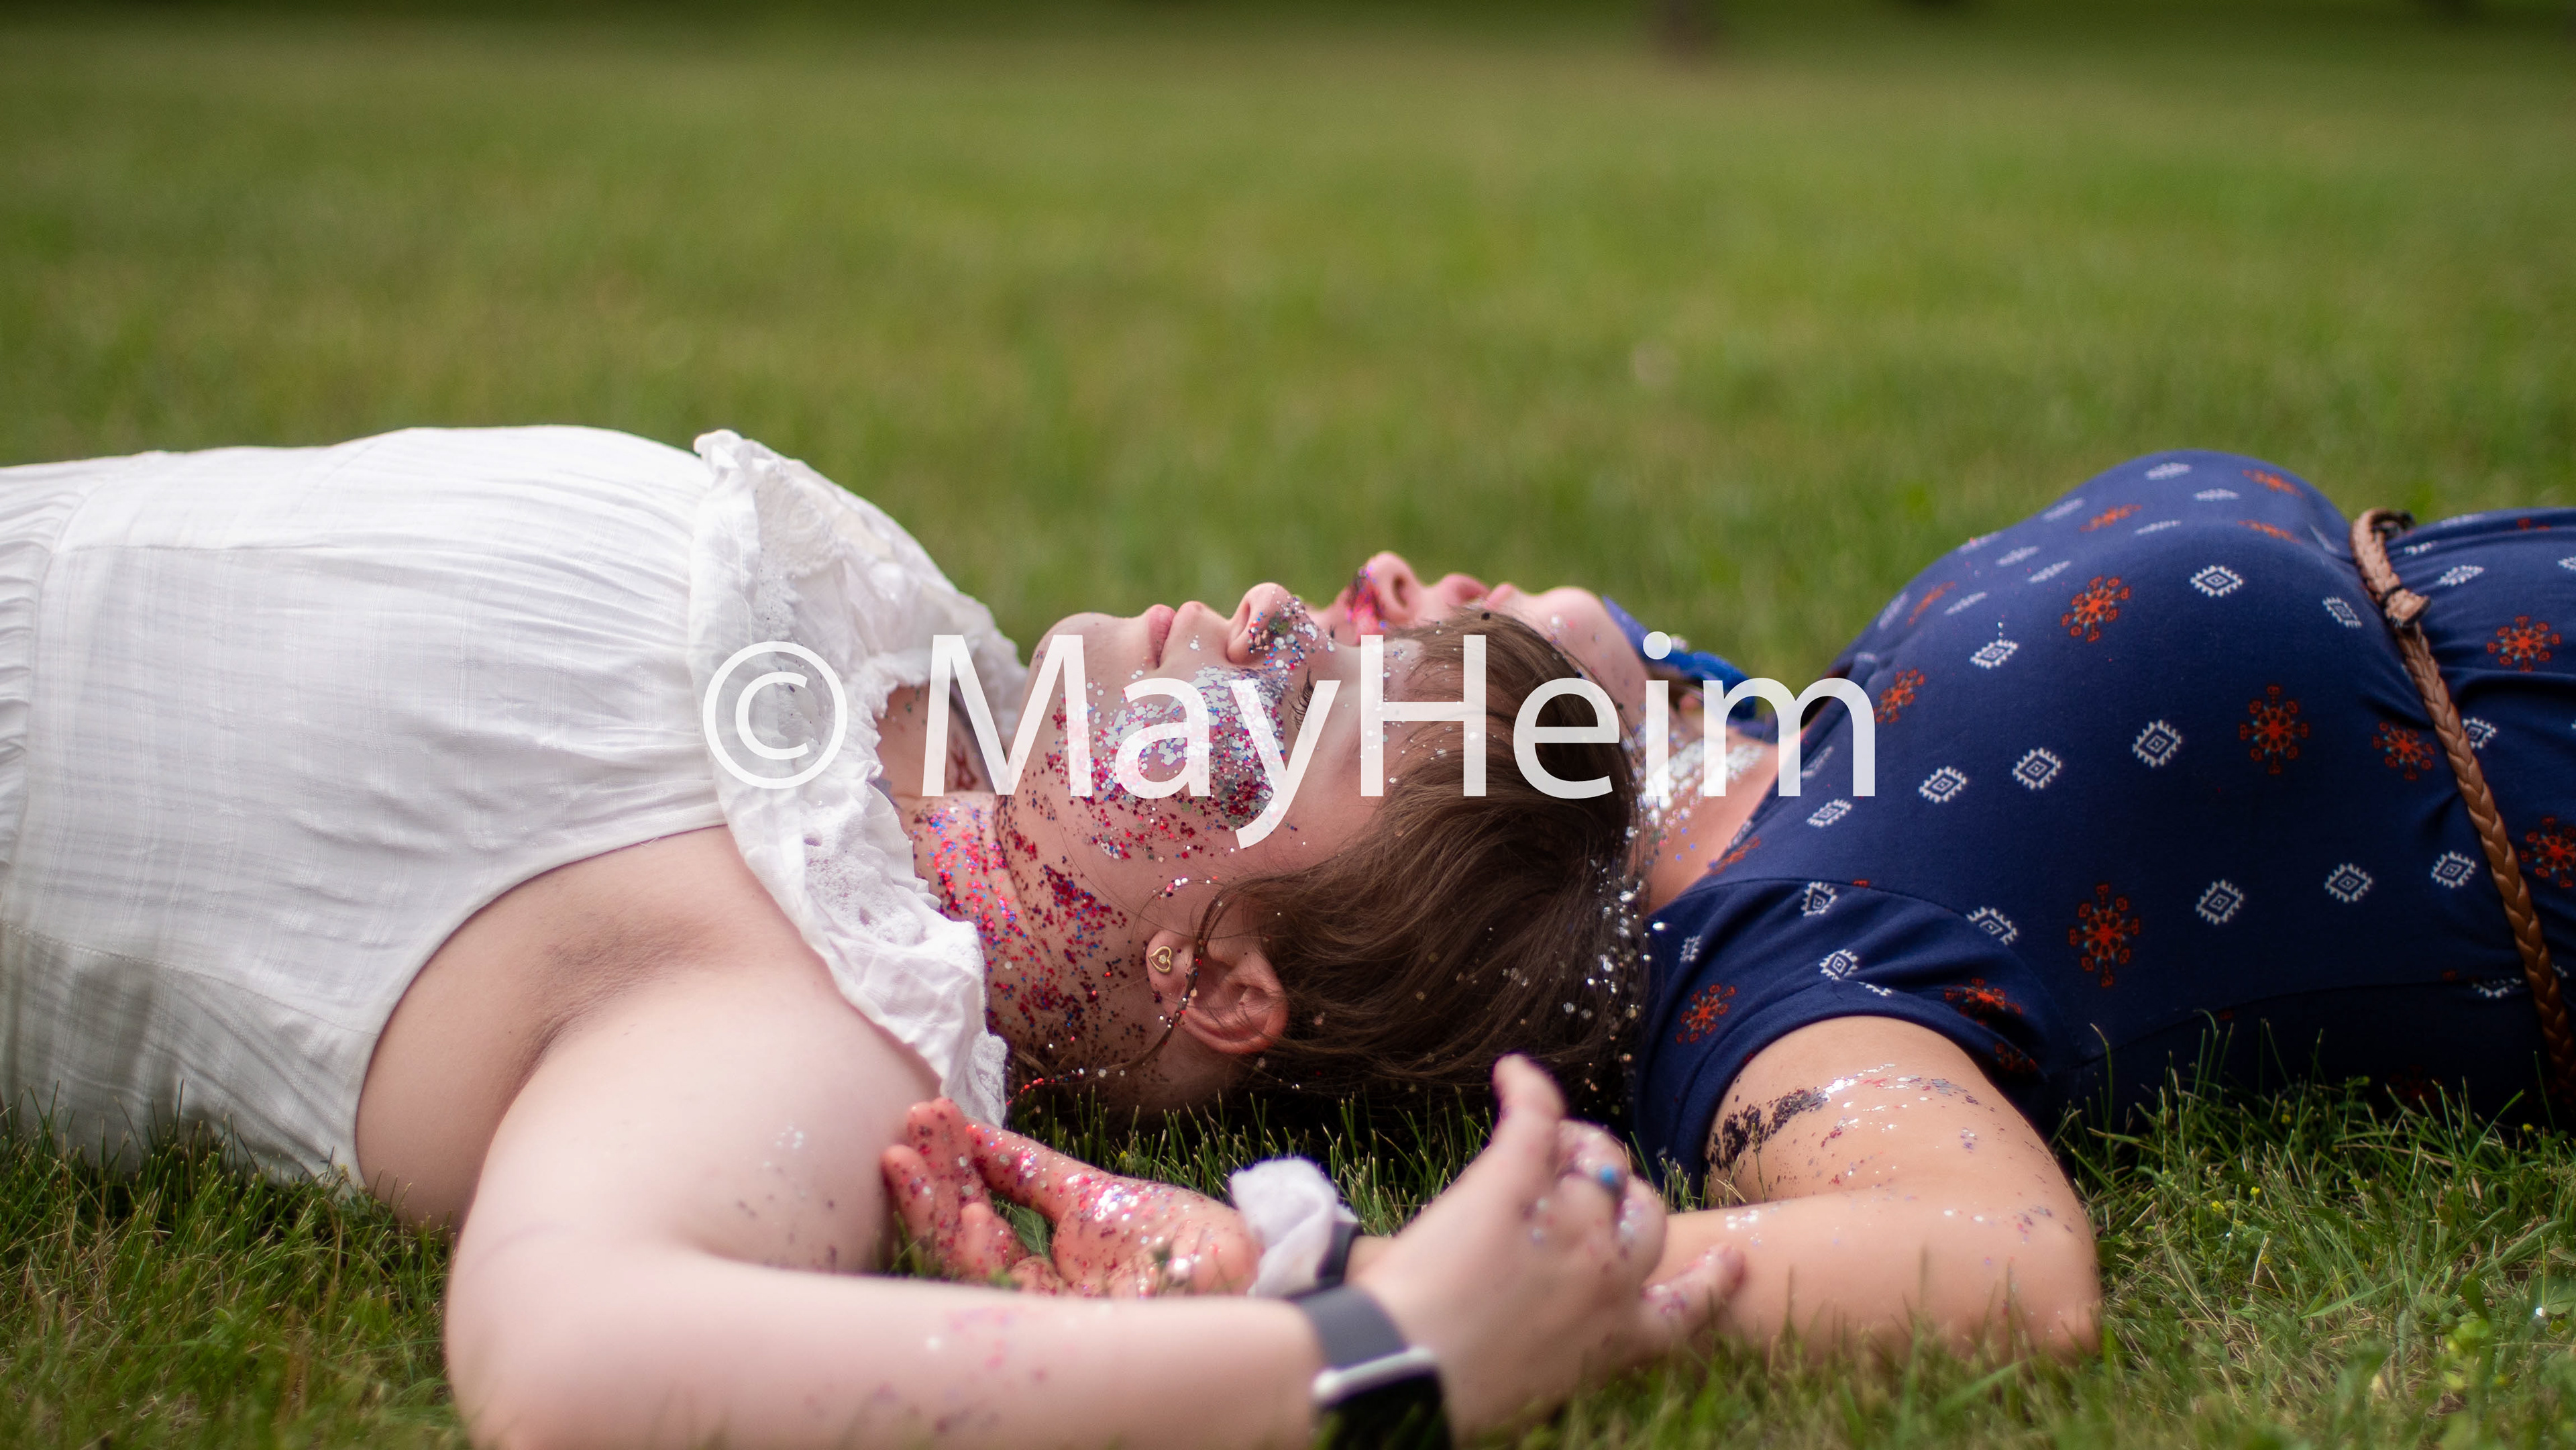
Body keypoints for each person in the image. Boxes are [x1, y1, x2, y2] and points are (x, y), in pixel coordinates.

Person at [0, 425, 1741, 1448]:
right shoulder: (903, 680)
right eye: (1338, 627)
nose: (1276, 606)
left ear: (1219, 978)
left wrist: (1361, 1359)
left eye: (1294, 697)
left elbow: (570, 1356)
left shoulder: (813, 1016)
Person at [898, 449, 2576, 1363]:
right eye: (1212, 713)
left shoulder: (1721, 781)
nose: (1269, 607)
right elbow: (1999, 1267)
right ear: (1225, 982)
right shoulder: (1769, 978)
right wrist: (1343, 1271)